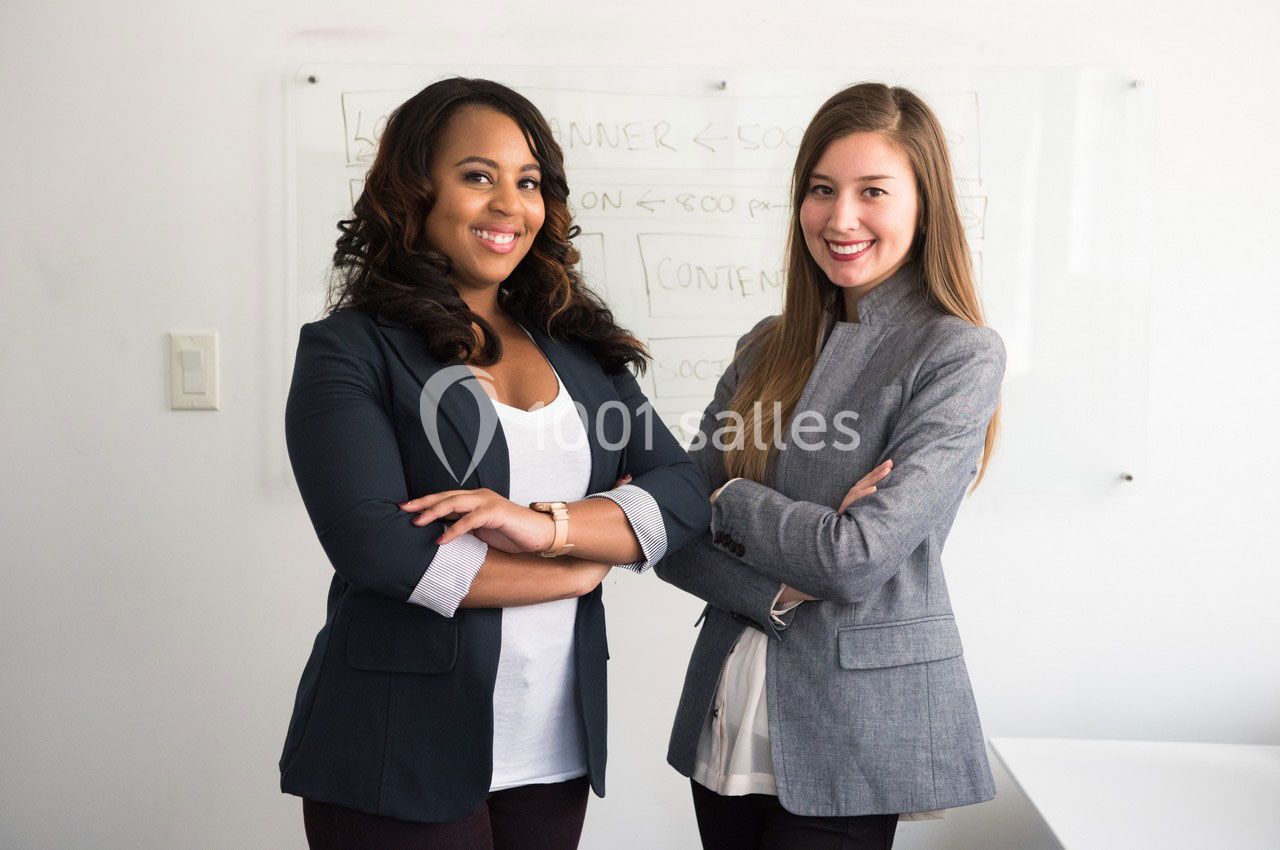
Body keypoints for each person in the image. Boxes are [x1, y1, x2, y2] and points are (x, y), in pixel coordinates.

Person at [278, 77, 710, 849]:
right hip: (396, 747)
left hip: (552, 748)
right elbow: (380, 549)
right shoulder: (348, 350)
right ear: (415, 192)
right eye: (478, 176)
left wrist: (543, 528)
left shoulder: (579, 347)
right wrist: (577, 568)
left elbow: (680, 492)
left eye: (529, 181)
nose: (510, 203)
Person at [655, 82, 1006, 849]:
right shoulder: (763, 344)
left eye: (872, 191)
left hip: (852, 729)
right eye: (821, 190)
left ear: (925, 204)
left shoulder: (956, 354)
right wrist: (775, 578)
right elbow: (673, 533)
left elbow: (854, 560)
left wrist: (730, 494)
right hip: (727, 711)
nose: (839, 217)